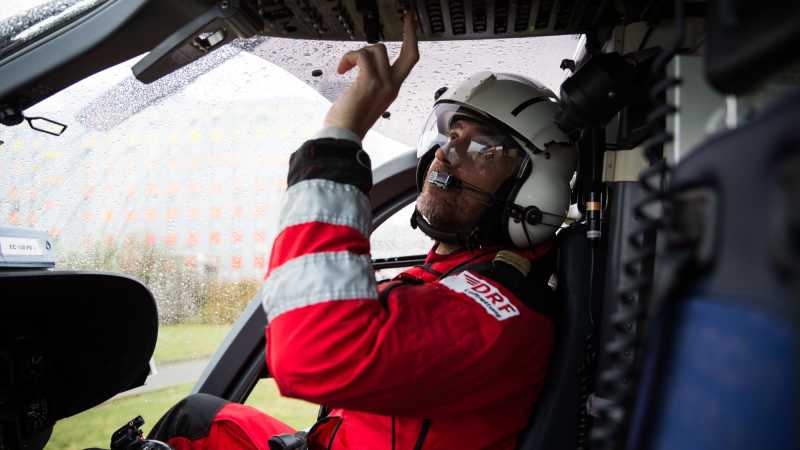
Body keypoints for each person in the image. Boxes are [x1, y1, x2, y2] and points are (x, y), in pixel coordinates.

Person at [148, 10, 576, 450]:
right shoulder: (459, 277)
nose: (447, 154)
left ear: (533, 188)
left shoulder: (497, 316)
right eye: (451, 135)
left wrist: (341, 132)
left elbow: (312, 352)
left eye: (482, 147)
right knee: (195, 419)